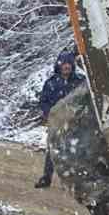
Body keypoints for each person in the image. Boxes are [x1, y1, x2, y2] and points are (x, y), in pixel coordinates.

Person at [35, 48, 82, 189]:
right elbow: (43, 101)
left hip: (77, 122)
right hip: (57, 123)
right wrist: (50, 114)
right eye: (64, 63)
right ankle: (46, 178)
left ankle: (75, 182)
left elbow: (87, 99)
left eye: (69, 63)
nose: (66, 66)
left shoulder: (80, 81)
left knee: (77, 151)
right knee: (53, 151)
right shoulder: (51, 83)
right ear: (59, 65)